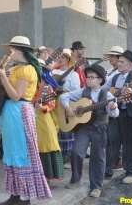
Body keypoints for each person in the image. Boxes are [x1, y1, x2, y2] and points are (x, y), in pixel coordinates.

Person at [0, 36, 51, 205]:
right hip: (10, 113)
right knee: (11, 153)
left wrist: (2, 76)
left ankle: (24, 198)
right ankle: (15, 195)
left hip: (18, 111)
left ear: (17, 50)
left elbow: (15, 96)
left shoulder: (27, 69)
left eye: (10, 49)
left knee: (21, 153)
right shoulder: (15, 68)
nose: (8, 53)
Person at [60, 64, 119, 197]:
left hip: (100, 128)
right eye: (88, 77)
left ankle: (96, 187)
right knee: (76, 152)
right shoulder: (83, 91)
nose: (89, 79)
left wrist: (113, 107)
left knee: (98, 157)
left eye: (92, 77)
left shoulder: (107, 94)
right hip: (84, 128)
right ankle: (75, 179)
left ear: (100, 80)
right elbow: (63, 97)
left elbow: (115, 114)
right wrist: (68, 108)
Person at [103, 50, 132, 184]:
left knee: (130, 143)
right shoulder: (115, 77)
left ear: (130, 65)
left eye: (122, 62)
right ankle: (108, 168)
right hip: (115, 113)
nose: (118, 63)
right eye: (119, 61)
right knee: (112, 140)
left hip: (131, 114)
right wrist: (111, 96)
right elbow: (104, 89)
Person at [52, 49, 81, 185]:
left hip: (65, 103)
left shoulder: (74, 74)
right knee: (54, 131)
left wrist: (64, 90)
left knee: (65, 130)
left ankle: (66, 158)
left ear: (69, 59)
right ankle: (56, 159)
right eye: (60, 57)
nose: (61, 59)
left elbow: (77, 91)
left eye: (64, 57)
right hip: (52, 103)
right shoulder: (53, 72)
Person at [33, 59, 63, 183]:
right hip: (27, 117)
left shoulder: (46, 86)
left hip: (43, 118)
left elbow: (51, 103)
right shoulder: (28, 83)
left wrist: (43, 107)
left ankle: (47, 177)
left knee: (47, 144)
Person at [103, 46, 124, 178]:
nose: (110, 58)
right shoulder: (110, 71)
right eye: (110, 56)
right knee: (110, 137)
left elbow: (118, 90)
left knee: (114, 136)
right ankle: (112, 161)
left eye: (112, 56)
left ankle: (116, 161)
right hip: (106, 105)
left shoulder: (121, 72)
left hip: (118, 106)